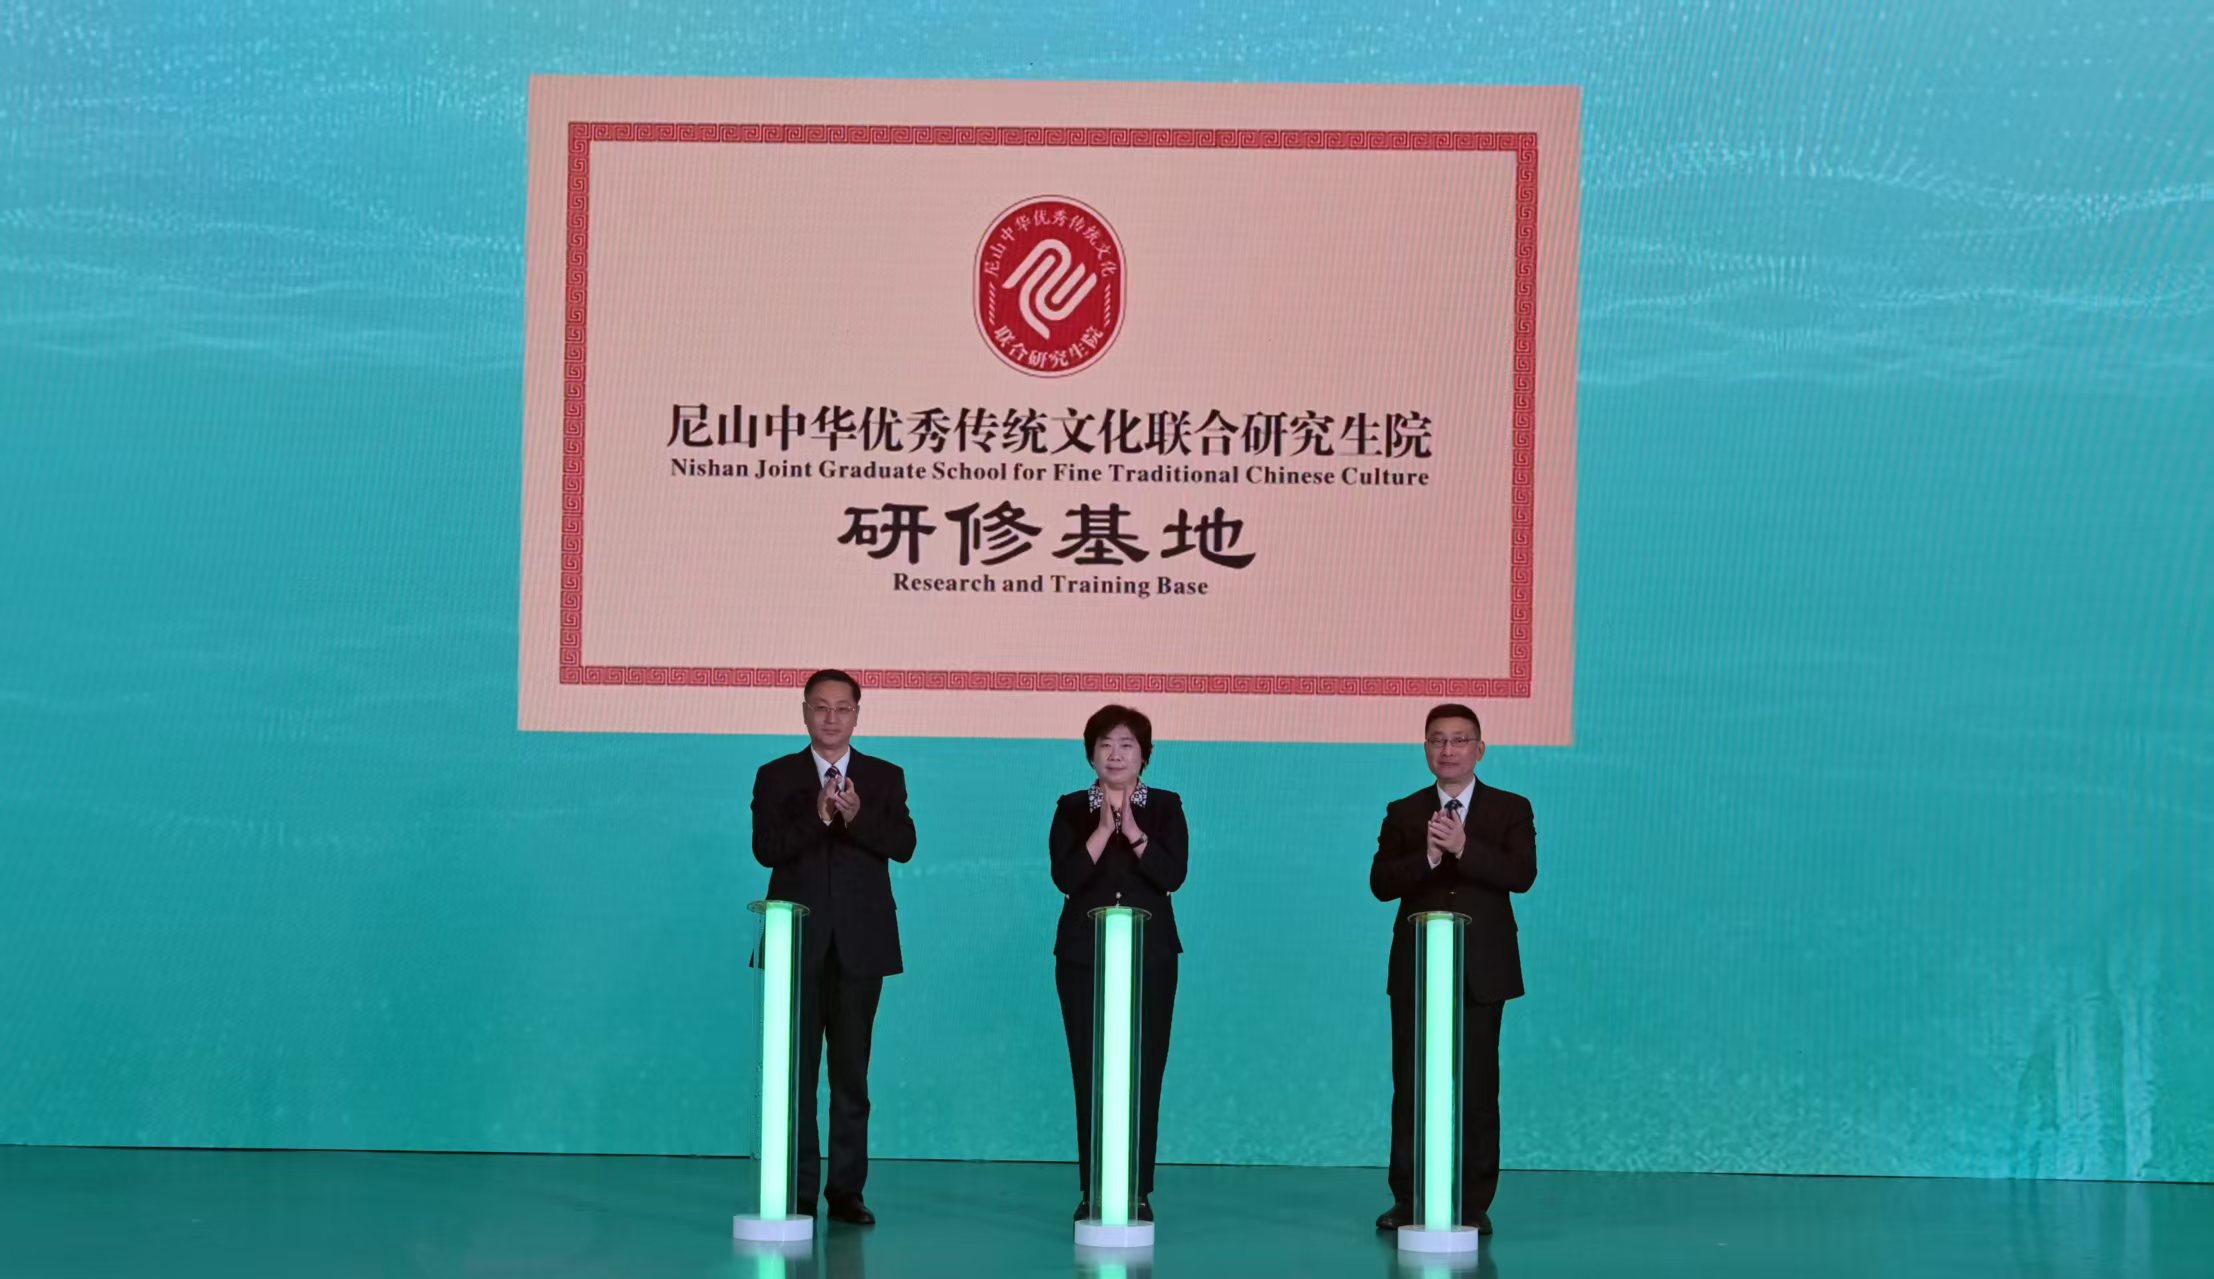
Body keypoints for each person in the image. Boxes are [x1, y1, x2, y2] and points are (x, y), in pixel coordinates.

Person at [751, 669, 917, 1225]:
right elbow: (766, 849)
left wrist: (856, 817)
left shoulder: (884, 776)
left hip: (861, 946)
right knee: (796, 1075)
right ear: (804, 712)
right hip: (796, 945)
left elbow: (904, 845)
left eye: (842, 708)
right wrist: (820, 816)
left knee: (851, 1075)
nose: (830, 718)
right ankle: (798, 1190)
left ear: (856, 715)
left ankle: (846, 1192)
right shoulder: (776, 776)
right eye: (820, 707)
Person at [1370, 704, 1536, 1236]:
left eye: (1460, 740)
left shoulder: (1511, 808)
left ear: (1479, 750)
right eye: (1437, 740)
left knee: (1478, 1087)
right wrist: (1429, 858)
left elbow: (1521, 874)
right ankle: (1408, 1198)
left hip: (1481, 968)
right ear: (1425, 750)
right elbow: (1381, 884)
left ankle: (1473, 1202)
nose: (1448, 750)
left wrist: (1464, 848)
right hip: (1418, 967)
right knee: (1411, 1084)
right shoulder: (1404, 811)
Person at [1048, 704, 1188, 1223]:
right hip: (1083, 956)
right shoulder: (1070, 808)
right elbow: (1066, 878)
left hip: (1151, 956)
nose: (1115, 754)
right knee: (1091, 1071)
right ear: (1091, 753)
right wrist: (1103, 830)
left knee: (1144, 1070)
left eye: (1127, 745)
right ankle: (1093, 1188)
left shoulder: (1166, 807)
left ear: (1144, 755)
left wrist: (1132, 830)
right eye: (1105, 744)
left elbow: (1173, 875)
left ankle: (1137, 1189)